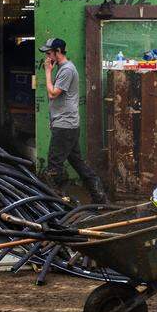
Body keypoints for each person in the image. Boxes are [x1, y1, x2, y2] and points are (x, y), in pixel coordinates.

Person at [40, 37, 109, 205]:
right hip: (67, 125)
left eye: (49, 53)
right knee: (78, 163)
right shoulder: (64, 68)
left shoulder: (67, 70)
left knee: (53, 168)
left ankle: (57, 204)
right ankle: (99, 198)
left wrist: (47, 72)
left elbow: (53, 93)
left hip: (65, 126)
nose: (47, 57)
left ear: (57, 52)